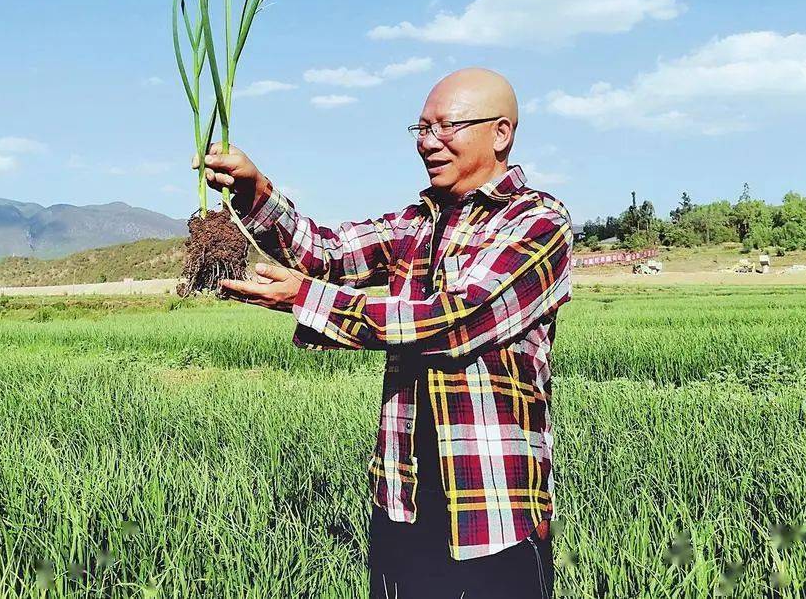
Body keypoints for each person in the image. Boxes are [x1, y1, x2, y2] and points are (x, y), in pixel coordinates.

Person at [191, 67, 573, 599]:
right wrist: (256, 192)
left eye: (445, 127)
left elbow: (454, 320)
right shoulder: (413, 225)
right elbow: (323, 252)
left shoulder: (538, 222)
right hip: (403, 501)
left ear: (501, 133)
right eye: (419, 129)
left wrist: (304, 298)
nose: (428, 142)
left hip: (493, 512)